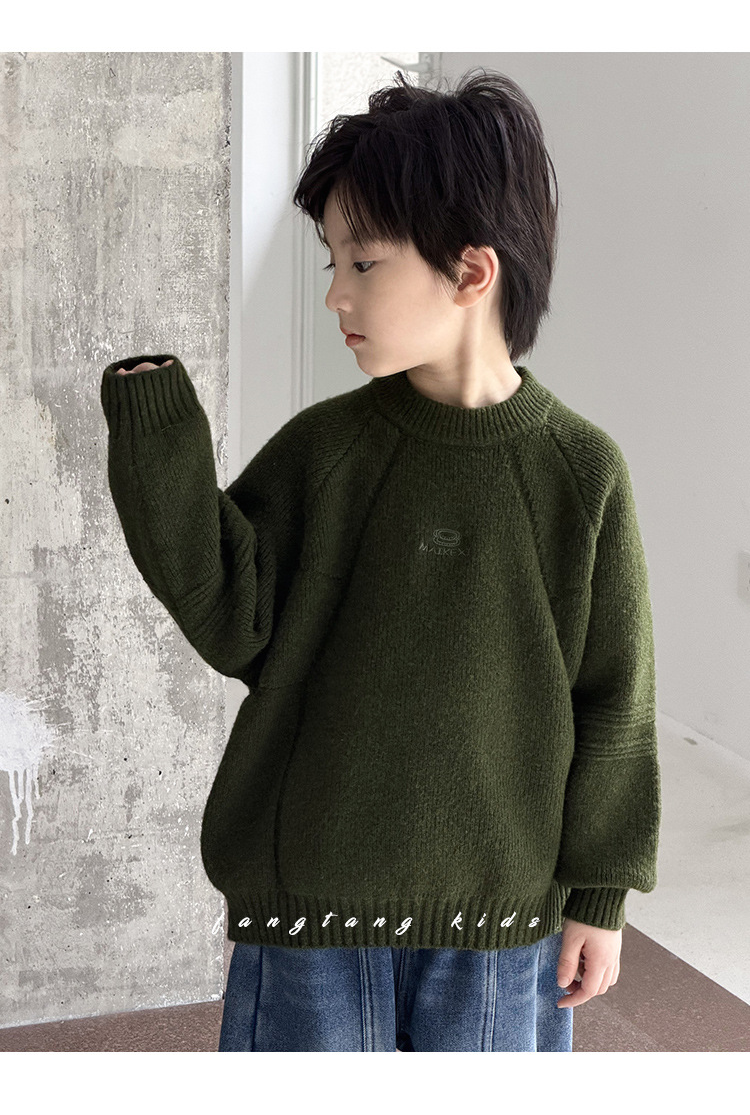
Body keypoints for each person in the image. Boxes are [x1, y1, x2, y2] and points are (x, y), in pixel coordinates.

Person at [100, 68, 661, 1052]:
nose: (335, 293)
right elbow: (231, 615)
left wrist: (599, 895)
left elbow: (615, 699)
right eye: (333, 261)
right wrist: (157, 431)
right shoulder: (327, 451)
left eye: (362, 262)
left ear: (471, 272)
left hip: (502, 921)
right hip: (313, 907)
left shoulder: (580, 473)